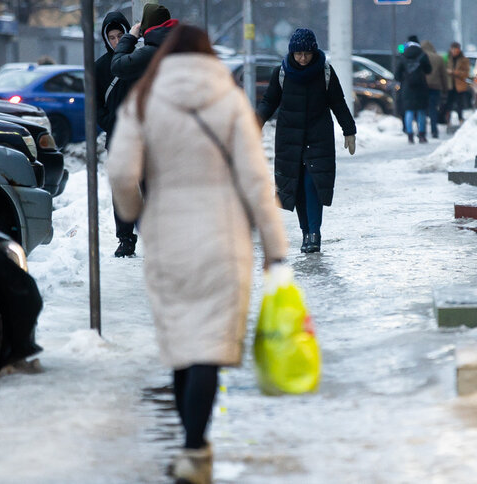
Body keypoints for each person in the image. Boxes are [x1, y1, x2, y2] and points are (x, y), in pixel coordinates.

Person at [107, 24, 288, 484]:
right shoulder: (229, 101)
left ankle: (191, 449)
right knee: (209, 346)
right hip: (223, 238)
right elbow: (255, 183)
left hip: (166, 236)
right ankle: (195, 449)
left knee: (182, 345)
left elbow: (122, 174)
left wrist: (135, 217)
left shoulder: (144, 100)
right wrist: (276, 251)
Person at [256, 28, 357, 254]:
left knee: (313, 185)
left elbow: (338, 103)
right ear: (292, 53)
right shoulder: (281, 73)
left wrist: (349, 130)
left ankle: (315, 233)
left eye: (306, 54)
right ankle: (305, 232)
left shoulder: (325, 73)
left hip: (317, 136)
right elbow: (269, 101)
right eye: (298, 54)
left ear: (314, 52)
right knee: (297, 187)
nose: (302, 58)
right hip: (289, 139)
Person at [94, 11, 136, 257]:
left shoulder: (138, 61)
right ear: (106, 39)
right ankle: (126, 239)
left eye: (121, 35)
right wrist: (110, 122)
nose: (117, 41)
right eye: (111, 37)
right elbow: (96, 105)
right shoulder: (101, 67)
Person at [111, 4, 177, 85]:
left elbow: (117, 67)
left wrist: (130, 37)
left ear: (146, 24)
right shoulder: (180, 44)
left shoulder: (150, 53)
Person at [395, 35, 432, 144]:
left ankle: (410, 135)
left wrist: (405, 78)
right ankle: (421, 135)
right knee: (421, 111)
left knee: (409, 111)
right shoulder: (422, 54)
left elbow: (397, 75)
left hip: (407, 88)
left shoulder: (403, 56)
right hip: (421, 87)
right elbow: (429, 70)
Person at [421, 40, 448, 139]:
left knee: (423, 110)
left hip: (423, 87)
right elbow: (443, 75)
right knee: (433, 109)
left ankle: (422, 131)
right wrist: (445, 88)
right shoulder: (438, 58)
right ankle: (434, 131)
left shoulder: (420, 57)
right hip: (436, 87)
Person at [446, 41, 471, 125]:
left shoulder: (464, 60)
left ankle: (460, 118)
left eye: (455, 49)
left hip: (459, 85)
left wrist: (454, 72)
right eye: (452, 49)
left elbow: (466, 73)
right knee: (448, 103)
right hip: (450, 85)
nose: (453, 51)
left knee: (459, 103)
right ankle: (448, 120)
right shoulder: (448, 59)